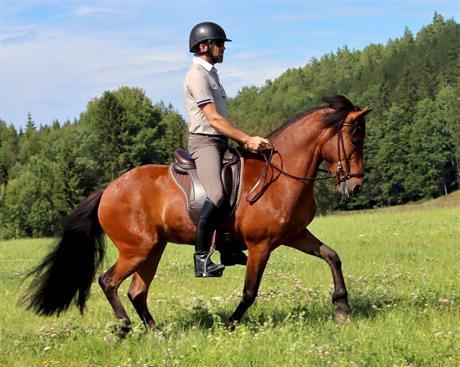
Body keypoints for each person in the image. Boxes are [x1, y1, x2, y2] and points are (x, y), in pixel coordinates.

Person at [184, 21, 269, 277]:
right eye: (219, 44)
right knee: (218, 194)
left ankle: (229, 248)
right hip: (205, 143)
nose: (223, 48)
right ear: (204, 46)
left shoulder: (212, 73)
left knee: (241, 188)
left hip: (220, 142)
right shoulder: (196, 76)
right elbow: (214, 119)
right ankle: (201, 259)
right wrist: (246, 139)